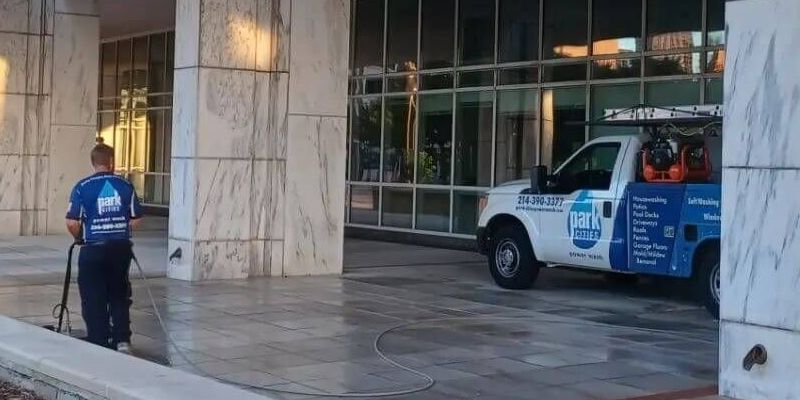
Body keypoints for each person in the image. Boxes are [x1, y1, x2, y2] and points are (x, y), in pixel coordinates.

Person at [65, 137, 143, 353]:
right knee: (119, 292)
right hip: (120, 248)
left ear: (93, 163)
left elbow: (72, 221)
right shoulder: (126, 185)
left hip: (93, 248)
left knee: (93, 295)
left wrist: (80, 238)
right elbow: (136, 219)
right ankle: (122, 340)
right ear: (112, 162)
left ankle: (99, 339)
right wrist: (118, 227)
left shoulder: (82, 187)